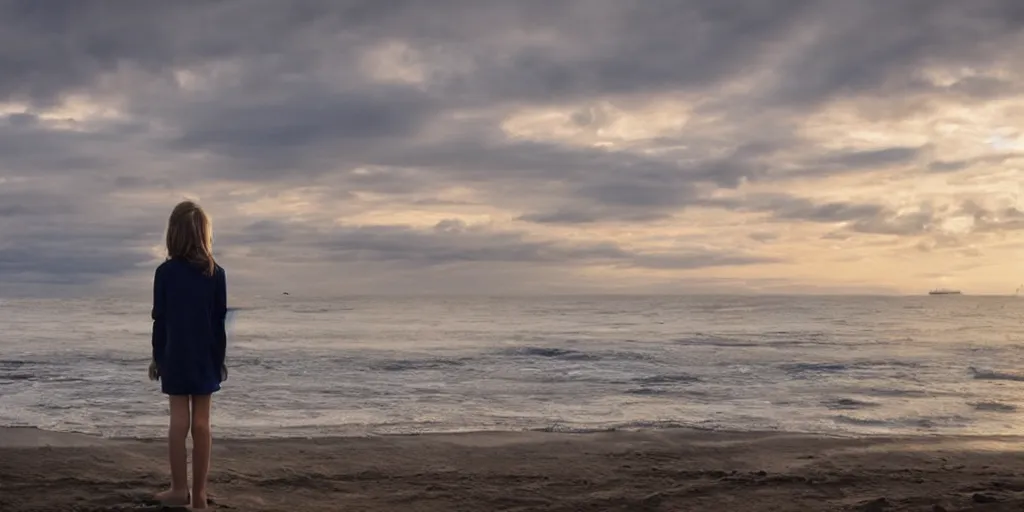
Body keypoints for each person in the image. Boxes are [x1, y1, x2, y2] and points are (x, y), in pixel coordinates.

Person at [149, 200, 228, 510]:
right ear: (203, 234)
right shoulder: (216, 273)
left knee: (178, 422)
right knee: (202, 424)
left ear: (173, 234)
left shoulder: (165, 273)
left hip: (176, 354)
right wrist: (218, 358)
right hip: (204, 355)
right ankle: (199, 496)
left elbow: (161, 319)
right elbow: (218, 322)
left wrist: (158, 356)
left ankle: (179, 489)